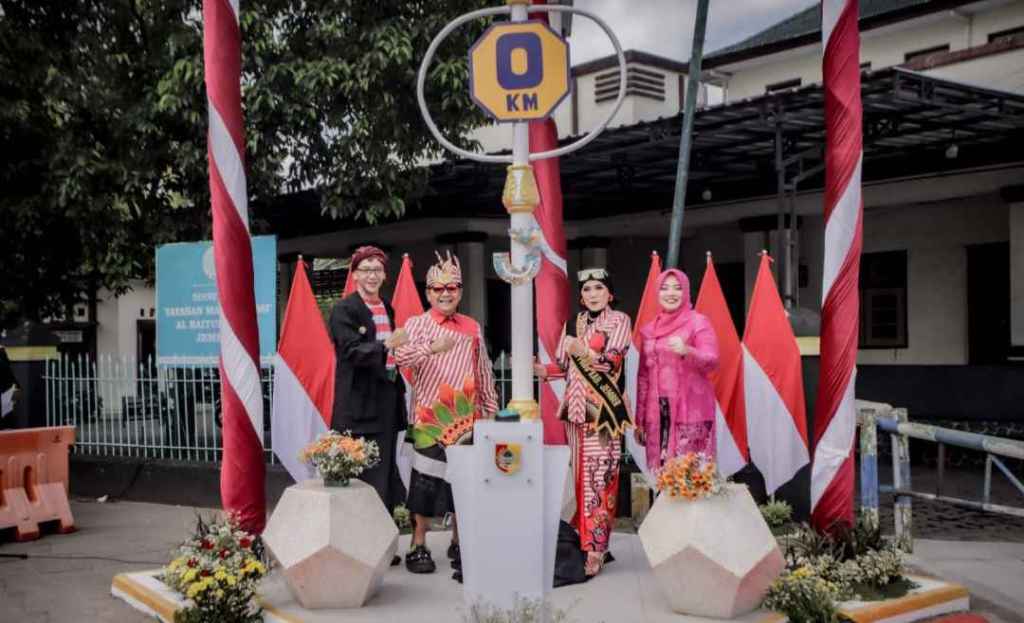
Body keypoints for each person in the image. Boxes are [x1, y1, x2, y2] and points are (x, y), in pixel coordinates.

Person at [394, 251, 499, 581]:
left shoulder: (471, 326)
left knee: (464, 485)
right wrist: (430, 348)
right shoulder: (416, 324)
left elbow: (483, 371)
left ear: (460, 291)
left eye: (452, 287)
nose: (445, 294)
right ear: (428, 293)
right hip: (428, 417)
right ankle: (418, 543)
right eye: (438, 289)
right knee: (424, 484)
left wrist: (492, 411)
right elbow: (400, 359)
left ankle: (459, 541)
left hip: (468, 420)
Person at [534, 268, 632, 577]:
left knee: (600, 481)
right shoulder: (573, 324)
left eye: (598, 288)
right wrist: (542, 370)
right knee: (580, 482)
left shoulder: (619, 321)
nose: (592, 294)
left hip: (603, 412)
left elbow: (611, 360)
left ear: (609, 293)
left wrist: (586, 351)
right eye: (587, 289)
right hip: (576, 413)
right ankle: (588, 540)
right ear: (581, 295)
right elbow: (565, 366)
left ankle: (596, 550)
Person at [329, 246, 409, 532]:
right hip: (357, 406)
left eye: (377, 270)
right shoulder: (343, 310)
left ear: (385, 275)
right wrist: (387, 345)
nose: (372, 275)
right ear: (354, 276)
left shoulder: (387, 307)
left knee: (384, 472)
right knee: (358, 474)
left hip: (386, 399)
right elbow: (351, 351)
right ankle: (355, 539)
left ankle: (382, 539)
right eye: (366, 270)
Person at [634, 269, 720, 475]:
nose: (670, 293)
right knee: (664, 479)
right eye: (664, 288)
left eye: (677, 288)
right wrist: (640, 421)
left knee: (691, 478)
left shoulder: (698, 322)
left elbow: (712, 360)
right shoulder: (649, 331)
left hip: (689, 411)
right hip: (658, 413)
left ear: (686, 292)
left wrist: (687, 350)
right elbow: (643, 378)